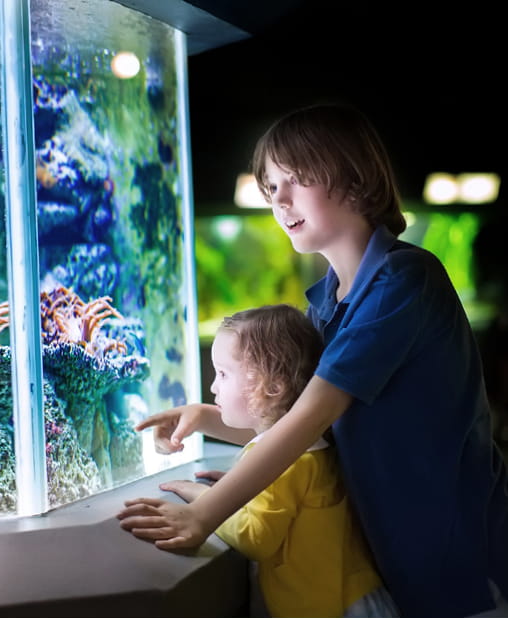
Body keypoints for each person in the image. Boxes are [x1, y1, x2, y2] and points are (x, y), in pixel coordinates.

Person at [118, 102, 508, 617]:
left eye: (295, 179)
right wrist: (209, 420)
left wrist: (205, 514)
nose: (279, 199)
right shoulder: (324, 301)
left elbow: (312, 415)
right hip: (392, 553)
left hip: (464, 547)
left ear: (353, 177)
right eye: (270, 186)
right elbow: (315, 434)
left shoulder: (404, 279)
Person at [159, 304, 398, 617]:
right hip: (351, 596)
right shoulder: (311, 446)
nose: (213, 386)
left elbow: (256, 537)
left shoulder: (288, 461)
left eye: (223, 374)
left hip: (333, 607)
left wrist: (203, 496)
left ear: (272, 387)